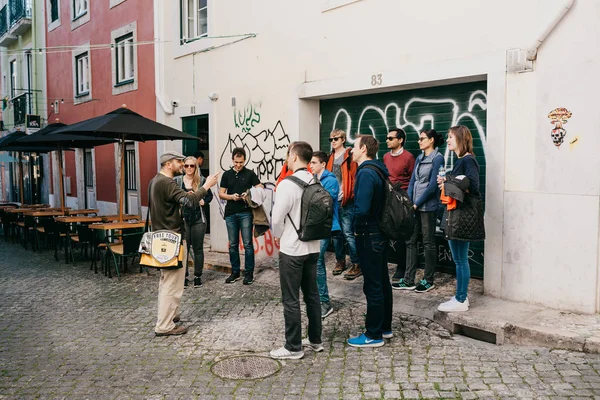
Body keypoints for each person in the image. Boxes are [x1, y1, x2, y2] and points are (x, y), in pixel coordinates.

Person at [150, 150, 218, 336]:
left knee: (167, 281)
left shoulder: (155, 181)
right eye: (179, 162)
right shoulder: (167, 183)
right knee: (171, 283)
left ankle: (171, 315)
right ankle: (164, 326)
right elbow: (189, 201)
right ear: (168, 164)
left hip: (162, 236)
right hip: (171, 238)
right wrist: (207, 186)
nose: (182, 165)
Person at [270, 141, 322, 359]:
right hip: (313, 246)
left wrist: (281, 235)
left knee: (290, 298)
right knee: (312, 294)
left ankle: (293, 347)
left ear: (293, 156)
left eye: (287, 155)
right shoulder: (315, 180)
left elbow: (276, 219)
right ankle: (315, 340)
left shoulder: (286, 184)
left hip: (292, 249)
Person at [347, 135, 392, 348]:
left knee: (373, 285)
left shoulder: (365, 173)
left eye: (354, 147)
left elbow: (362, 209)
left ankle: (373, 334)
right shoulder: (379, 170)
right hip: (379, 234)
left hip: (368, 235)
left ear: (363, 149)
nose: (351, 150)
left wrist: (355, 226)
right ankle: (385, 327)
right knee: (382, 282)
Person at [436, 125, 484, 312]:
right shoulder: (461, 161)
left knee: (461, 259)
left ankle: (461, 299)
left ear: (461, 139)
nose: (447, 140)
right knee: (459, 259)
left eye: (450, 137)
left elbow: (473, 186)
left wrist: (449, 180)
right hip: (456, 215)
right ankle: (460, 295)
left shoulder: (468, 160)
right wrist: (447, 180)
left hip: (462, 216)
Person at [393, 129, 444, 292]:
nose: (419, 141)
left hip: (428, 206)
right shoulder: (420, 158)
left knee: (428, 242)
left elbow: (432, 187)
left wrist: (416, 204)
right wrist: (409, 202)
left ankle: (428, 280)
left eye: (422, 139)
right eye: (419, 139)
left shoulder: (438, 158)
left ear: (432, 140)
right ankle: (408, 279)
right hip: (413, 205)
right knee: (410, 241)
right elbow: (413, 181)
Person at [219, 147, 263, 285]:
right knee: (233, 244)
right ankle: (235, 272)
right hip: (230, 213)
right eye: (236, 162)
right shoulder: (226, 175)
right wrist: (231, 197)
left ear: (245, 161)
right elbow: (221, 193)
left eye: (241, 162)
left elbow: (260, 187)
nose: (238, 165)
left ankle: (249, 274)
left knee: (248, 244)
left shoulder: (250, 174)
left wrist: (248, 193)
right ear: (232, 160)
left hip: (245, 212)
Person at [309, 151, 342, 319]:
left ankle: (325, 302)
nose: (311, 165)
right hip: (313, 226)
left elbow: (324, 203)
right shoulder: (312, 179)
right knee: (315, 262)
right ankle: (318, 299)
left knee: (318, 261)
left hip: (325, 227)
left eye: (314, 163)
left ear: (323, 164)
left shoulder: (330, 180)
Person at [325, 129, 360, 280]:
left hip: (346, 201)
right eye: (331, 139)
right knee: (336, 234)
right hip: (334, 201)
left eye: (336, 138)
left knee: (348, 233)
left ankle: (357, 264)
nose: (333, 141)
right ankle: (340, 261)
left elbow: (355, 177)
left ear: (343, 139)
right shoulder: (330, 158)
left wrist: (351, 194)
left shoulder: (349, 156)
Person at [174, 156, 213, 288]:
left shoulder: (201, 181)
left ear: (196, 167)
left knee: (197, 249)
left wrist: (204, 201)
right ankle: (184, 276)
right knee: (183, 249)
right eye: (187, 166)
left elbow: (210, 196)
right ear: (183, 167)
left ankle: (197, 276)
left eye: (192, 166)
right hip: (183, 219)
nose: (189, 168)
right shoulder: (177, 181)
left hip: (198, 219)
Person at [383, 128, 415, 282]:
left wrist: (407, 199)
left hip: (403, 199)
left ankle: (402, 267)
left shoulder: (408, 157)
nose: (387, 140)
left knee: (402, 234)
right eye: (387, 138)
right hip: (388, 198)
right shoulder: (385, 157)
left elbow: (413, 178)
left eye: (391, 138)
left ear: (400, 140)